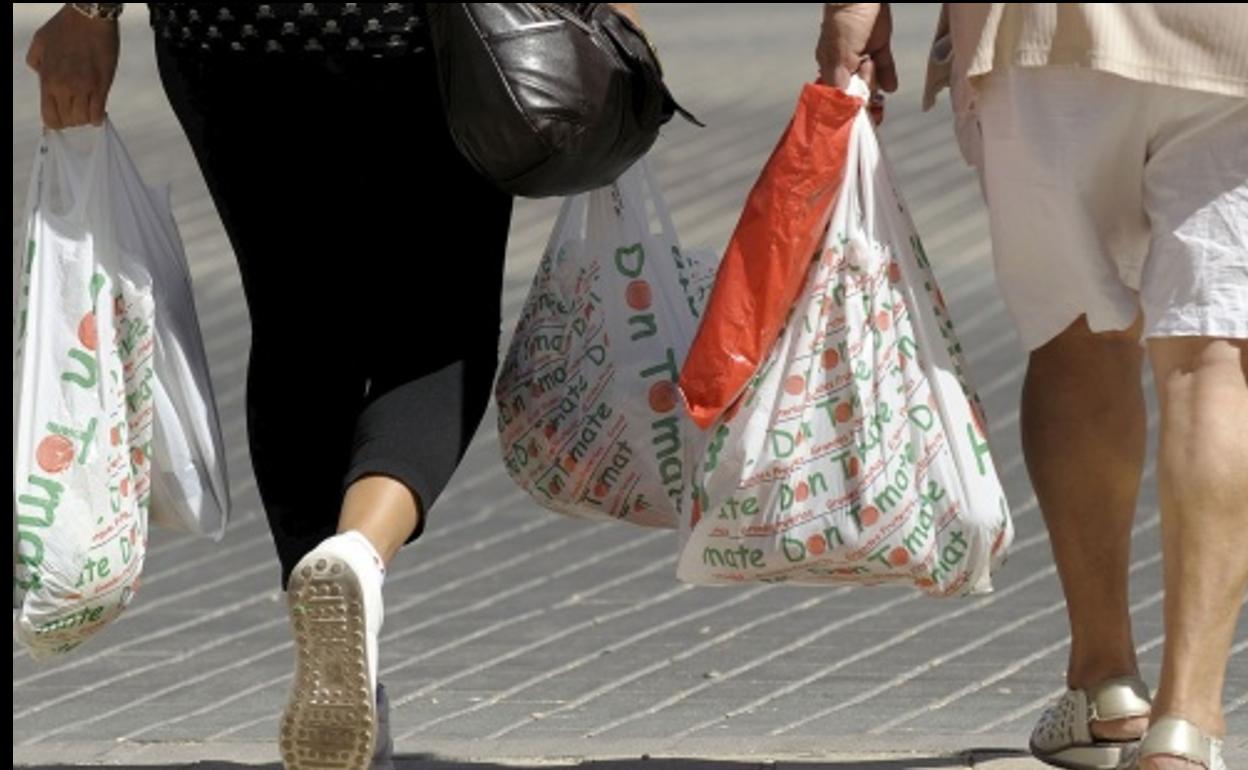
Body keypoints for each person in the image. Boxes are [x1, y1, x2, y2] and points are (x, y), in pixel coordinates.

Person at [24, 3, 629, 769]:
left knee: (297, 322)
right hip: (415, 31)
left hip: (230, 36)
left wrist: (89, 11)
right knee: (438, 323)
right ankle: (355, 559)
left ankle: (354, 673)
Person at [816, 4, 1246, 770]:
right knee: (1211, 359)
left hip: (1048, 34)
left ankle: (1105, 682)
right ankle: (1188, 720)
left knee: (1077, 336)